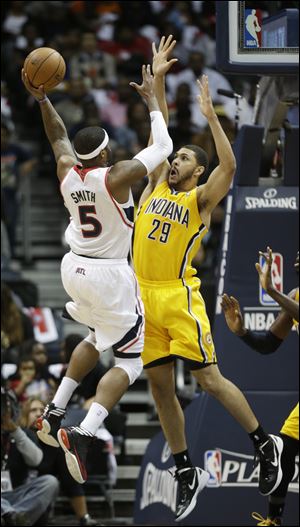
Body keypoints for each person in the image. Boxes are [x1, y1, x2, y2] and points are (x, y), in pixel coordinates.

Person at [132, 35, 283, 522]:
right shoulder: (155, 184)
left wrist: (212, 117)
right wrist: (154, 87)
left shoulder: (197, 203)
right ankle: (183, 470)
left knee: (211, 380)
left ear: (197, 172)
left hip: (179, 298)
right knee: (159, 387)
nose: (175, 163)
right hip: (145, 300)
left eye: (183, 161)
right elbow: (159, 140)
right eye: (175, 159)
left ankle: (265, 445)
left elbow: (233, 166)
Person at [21, 62, 173, 485]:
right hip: (109, 276)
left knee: (93, 338)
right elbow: (163, 147)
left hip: (73, 268)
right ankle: (84, 432)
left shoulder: (67, 171)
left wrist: (42, 98)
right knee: (130, 359)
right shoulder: (118, 176)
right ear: (106, 153)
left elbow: (57, 136)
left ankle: (54, 409)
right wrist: (153, 103)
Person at [221, 250, 299, 527]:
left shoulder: (289, 300)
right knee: (284, 450)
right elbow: (268, 344)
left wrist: (272, 292)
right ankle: (273, 520)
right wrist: (241, 332)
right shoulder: (296, 296)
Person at [19, 397, 97, 526]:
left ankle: (84, 518)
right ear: (24, 416)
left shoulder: (54, 445)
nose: (38, 413)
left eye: (41, 411)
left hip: (37, 499)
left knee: (53, 479)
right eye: (33, 410)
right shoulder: (13, 436)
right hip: (12, 492)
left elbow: (70, 483)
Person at [1, 387, 59, 526]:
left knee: (50, 482)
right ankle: (11, 515)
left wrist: (14, 430)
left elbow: (36, 460)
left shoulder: (23, 434)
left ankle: (12, 516)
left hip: (16, 495)